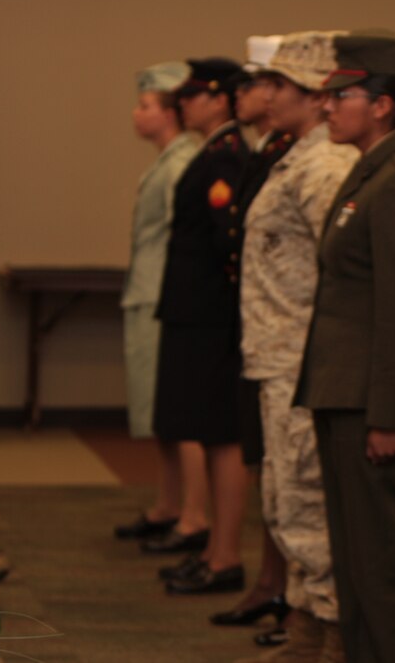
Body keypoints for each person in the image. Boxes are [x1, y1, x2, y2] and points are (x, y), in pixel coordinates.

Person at [293, 29, 395, 663]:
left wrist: (388, 413)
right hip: (342, 396)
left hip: (369, 408)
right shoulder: (371, 172)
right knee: (355, 565)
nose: (327, 107)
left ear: (382, 103)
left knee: (384, 568)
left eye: (341, 95)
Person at [233, 30, 359, 663]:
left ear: (313, 95)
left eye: (280, 84)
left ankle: (331, 634)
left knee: (309, 502)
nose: (268, 94)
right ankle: (307, 626)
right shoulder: (299, 156)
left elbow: (345, 271)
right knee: (287, 502)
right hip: (280, 357)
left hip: (305, 361)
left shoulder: (326, 166)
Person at [208, 35, 297, 643]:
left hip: (285, 342)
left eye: (256, 85)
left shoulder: (293, 154)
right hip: (258, 334)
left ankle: (284, 589)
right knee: (267, 467)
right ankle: (272, 581)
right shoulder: (260, 149)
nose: (244, 96)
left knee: (288, 476)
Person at [153, 57, 251, 595]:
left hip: (212, 317)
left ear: (219, 99)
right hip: (197, 314)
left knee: (221, 434)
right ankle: (215, 550)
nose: (182, 104)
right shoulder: (212, 152)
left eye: (192, 96)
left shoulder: (227, 155)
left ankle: (225, 556)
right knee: (208, 433)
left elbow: (227, 244)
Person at [114, 61, 208, 545]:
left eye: (145, 105)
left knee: (177, 409)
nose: (136, 113)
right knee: (159, 412)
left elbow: (184, 237)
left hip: (164, 297)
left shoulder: (182, 163)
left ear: (169, 113)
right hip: (150, 292)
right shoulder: (168, 159)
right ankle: (168, 504)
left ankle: (194, 511)